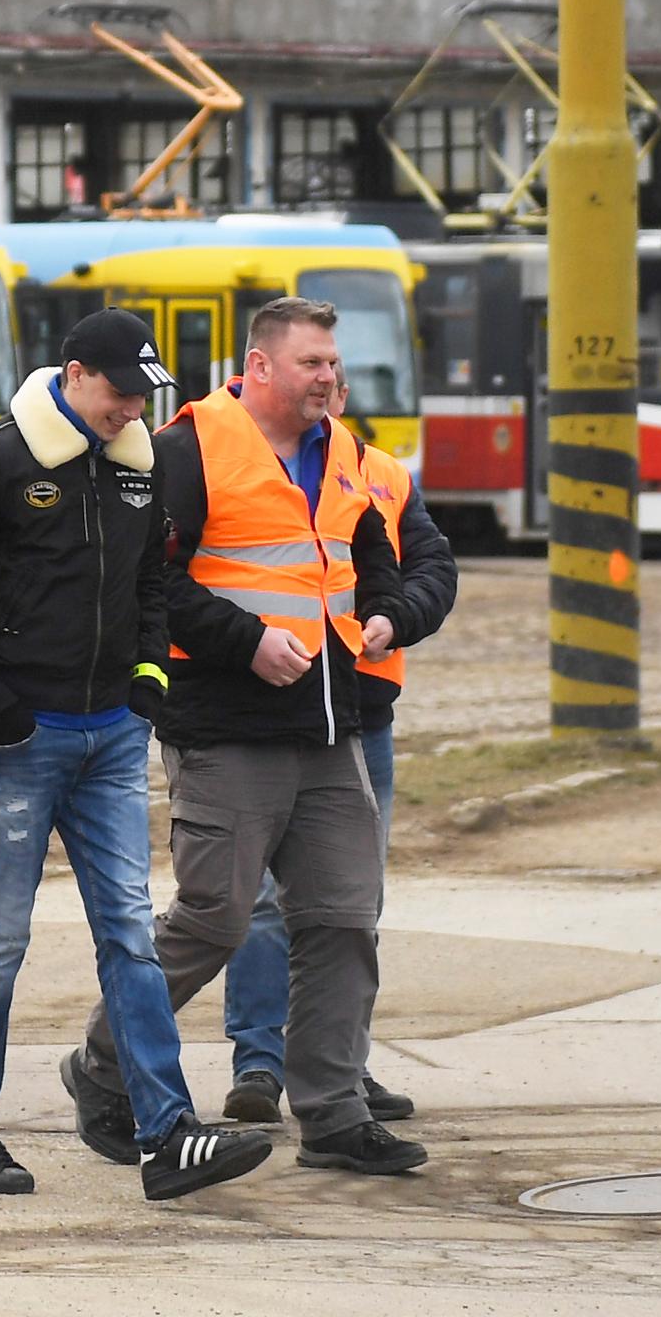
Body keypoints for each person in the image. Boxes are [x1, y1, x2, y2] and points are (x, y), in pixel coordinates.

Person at [0, 309, 272, 1202]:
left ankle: (166, 1133)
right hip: (24, 737)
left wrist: (147, 680)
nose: (131, 409)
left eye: (143, 395)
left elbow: (152, 581)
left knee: (131, 942)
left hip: (110, 732)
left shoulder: (137, 468)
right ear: (72, 375)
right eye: (119, 391)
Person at [63, 296, 426, 1177]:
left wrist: (389, 613)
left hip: (332, 734)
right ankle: (102, 1068)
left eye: (332, 363)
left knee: (343, 921)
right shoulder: (187, 450)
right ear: (259, 367)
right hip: (225, 729)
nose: (329, 378)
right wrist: (244, 642)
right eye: (312, 363)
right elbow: (144, 577)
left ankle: (333, 1115)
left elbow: (383, 561)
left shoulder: (344, 456)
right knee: (214, 919)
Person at [216, 376, 457, 1127]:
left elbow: (431, 568)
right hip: (259, 716)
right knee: (254, 902)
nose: (323, 395)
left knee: (351, 903)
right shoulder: (229, 462)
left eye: (332, 380)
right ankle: (257, 1062)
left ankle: (339, 1070)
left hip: (358, 714)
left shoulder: (379, 475)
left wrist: (395, 617)